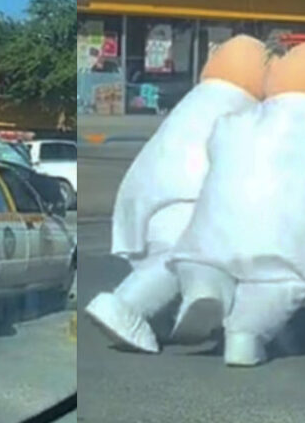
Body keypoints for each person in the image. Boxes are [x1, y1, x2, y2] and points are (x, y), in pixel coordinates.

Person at [169, 43, 305, 367]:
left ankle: (206, 287)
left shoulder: (236, 121)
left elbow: (215, 145)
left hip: (221, 220)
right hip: (285, 232)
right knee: (281, 279)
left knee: (204, 256)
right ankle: (245, 336)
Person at [84, 35, 269, 353]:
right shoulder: (248, 111)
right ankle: (127, 305)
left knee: (185, 255)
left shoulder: (195, 102)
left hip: (154, 191)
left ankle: (197, 300)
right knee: (178, 256)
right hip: (193, 196)